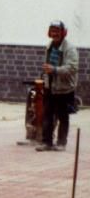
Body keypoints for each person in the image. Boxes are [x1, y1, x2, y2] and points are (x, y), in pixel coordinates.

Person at [37, 20, 79, 152]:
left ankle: (61, 143)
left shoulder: (70, 49)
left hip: (64, 89)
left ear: (63, 33)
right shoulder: (49, 46)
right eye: (52, 31)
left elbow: (72, 68)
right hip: (51, 86)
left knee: (63, 116)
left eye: (57, 31)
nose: (54, 34)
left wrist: (55, 70)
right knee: (47, 115)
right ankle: (46, 142)